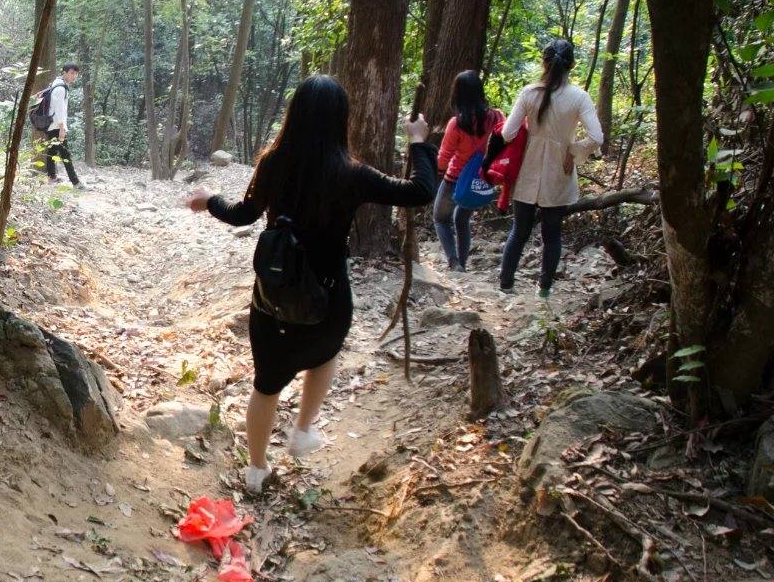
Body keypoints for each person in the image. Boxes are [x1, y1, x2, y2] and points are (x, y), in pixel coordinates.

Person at [186, 75, 437, 493]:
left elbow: (243, 215)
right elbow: (420, 191)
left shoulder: (273, 162)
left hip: (273, 296)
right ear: (341, 119)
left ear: (294, 114)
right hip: (329, 295)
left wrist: (208, 198)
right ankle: (302, 430)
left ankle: (256, 470)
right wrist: (417, 141)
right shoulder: (351, 173)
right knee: (325, 353)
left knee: (266, 383)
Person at [495, 38, 604, 297]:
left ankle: (505, 285)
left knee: (518, 231)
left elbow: (508, 133)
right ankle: (544, 290)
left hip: (528, 169)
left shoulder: (529, 93)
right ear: (572, 65)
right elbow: (597, 137)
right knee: (552, 236)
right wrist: (574, 149)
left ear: (544, 62)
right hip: (560, 171)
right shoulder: (579, 97)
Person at [431, 70, 504, 272]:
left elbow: (444, 157)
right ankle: (462, 263)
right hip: (482, 179)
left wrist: (437, 170)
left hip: (455, 179)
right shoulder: (497, 117)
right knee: (462, 219)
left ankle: (454, 263)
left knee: (440, 218)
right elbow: (505, 143)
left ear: (458, 94)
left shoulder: (457, 123)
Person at [38, 62, 83, 187]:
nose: (74, 76)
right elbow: (59, 110)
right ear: (64, 73)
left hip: (53, 125)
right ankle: (76, 182)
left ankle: (51, 177)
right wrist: (62, 129)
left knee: (52, 151)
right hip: (57, 126)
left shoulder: (57, 83)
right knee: (65, 154)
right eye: (72, 73)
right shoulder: (60, 88)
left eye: (76, 73)